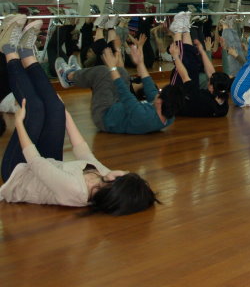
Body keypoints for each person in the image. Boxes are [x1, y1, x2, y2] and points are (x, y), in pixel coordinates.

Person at [0, 14, 157, 214]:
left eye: (126, 174)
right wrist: (64, 111)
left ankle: (8, 49)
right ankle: (26, 53)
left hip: (18, 171)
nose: (125, 171)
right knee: (56, 109)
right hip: (50, 164)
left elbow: (35, 162)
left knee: (35, 110)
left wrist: (20, 123)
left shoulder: (75, 190)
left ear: (115, 183)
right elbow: (83, 151)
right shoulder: (104, 178)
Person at [61, 28, 179, 134]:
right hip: (117, 106)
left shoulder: (142, 116)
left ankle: (68, 76)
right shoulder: (168, 116)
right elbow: (150, 88)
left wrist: (112, 67)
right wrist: (140, 62)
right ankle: (77, 74)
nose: (157, 93)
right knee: (122, 72)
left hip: (104, 115)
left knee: (102, 71)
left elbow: (125, 94)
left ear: (159, 102)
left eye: (160, 94)